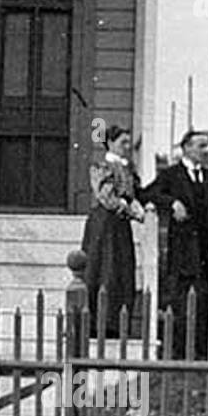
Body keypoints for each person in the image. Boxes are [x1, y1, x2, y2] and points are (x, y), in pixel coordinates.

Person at [141, 129, 208, 358]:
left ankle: (203, 353)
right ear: (186, 148)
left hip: (207, 254)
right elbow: (145, 194)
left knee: (205, 305)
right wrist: (172, 203)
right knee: (180, 305)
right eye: (200, 146)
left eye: (206, 146)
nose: (204, 151)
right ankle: (179, 354)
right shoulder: (171, 175)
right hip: (183, 253)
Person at [80, 125, 146, 339]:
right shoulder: (101, 165)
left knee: (121, 270)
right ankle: (95, 323)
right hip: (104, 224)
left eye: (128, 143)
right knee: (102, 269)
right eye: (122, 143)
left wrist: (138, 206)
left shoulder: (127, 168)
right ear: (110, 143)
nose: (126, 147)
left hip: (120, 226)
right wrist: (131, 210)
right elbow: (106, 197)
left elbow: (132, 194)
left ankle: (115, 324)